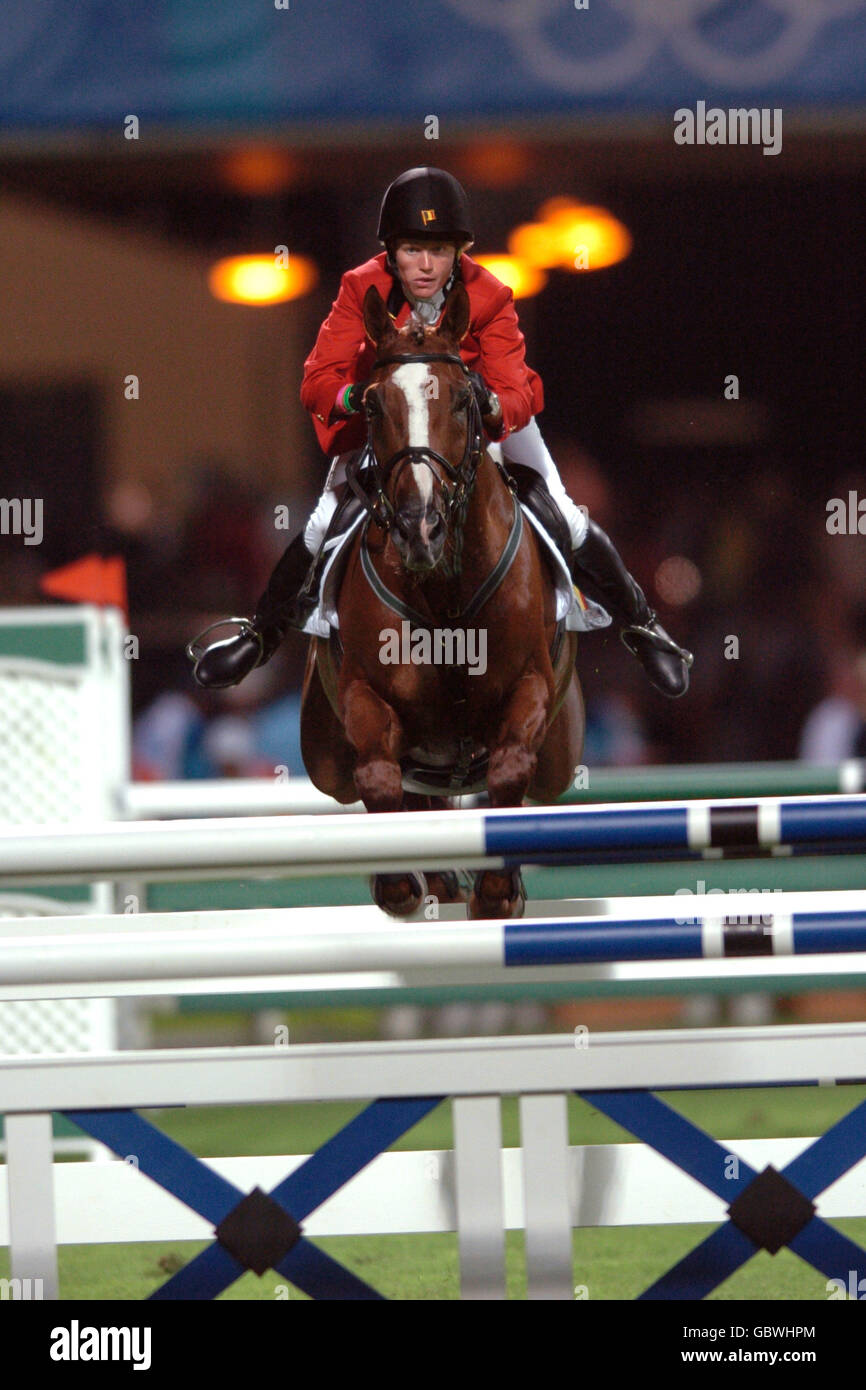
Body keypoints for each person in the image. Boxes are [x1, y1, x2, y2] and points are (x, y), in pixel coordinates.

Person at [189, 167, 691, 697]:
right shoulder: (361, 287)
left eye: (438, 250)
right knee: (319, 526)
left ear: (459, 252)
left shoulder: (490, 293)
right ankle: (260, 637)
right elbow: (317, 382)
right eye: (410, 250)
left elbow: (519, 388)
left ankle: (644, 628)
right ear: (390, 251)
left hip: (478, 420)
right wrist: (356, 397)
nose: (424, 265)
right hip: (392, 418)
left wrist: (491, 405)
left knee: (566, 516)